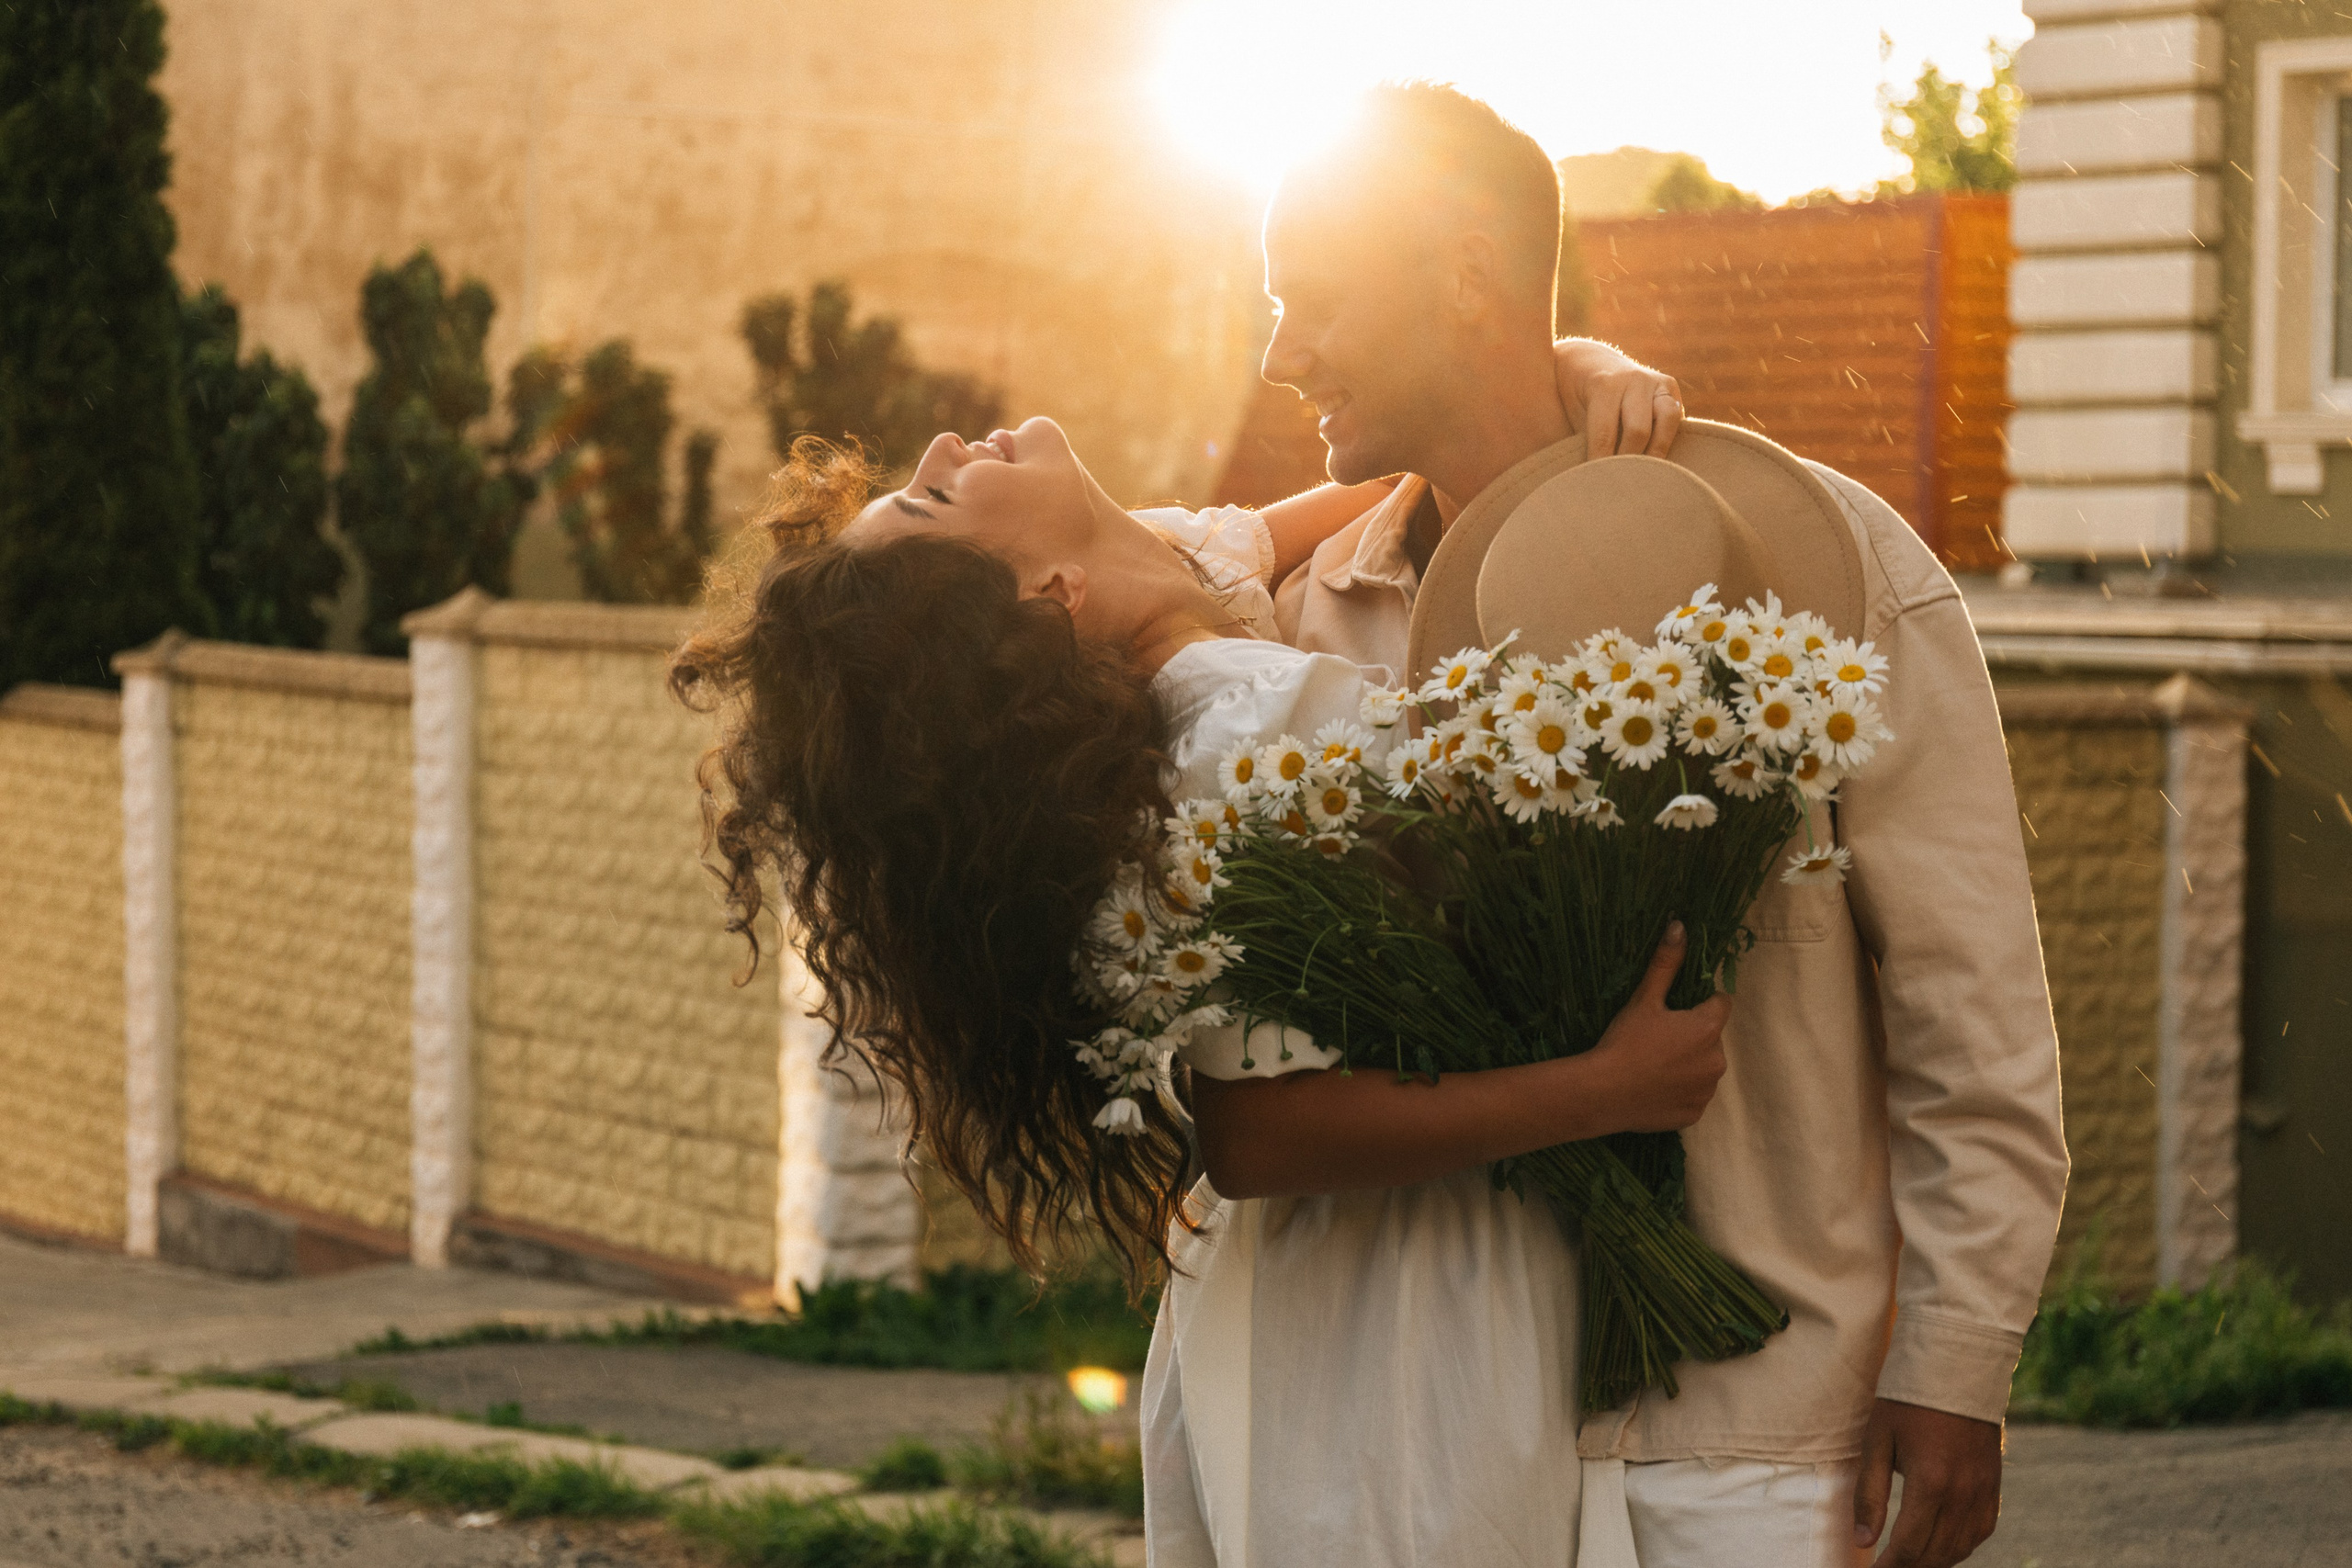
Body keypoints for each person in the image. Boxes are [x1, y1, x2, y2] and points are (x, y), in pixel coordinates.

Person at [671, 412, 1730, 1566]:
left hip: (1336, 1303)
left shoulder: (1177, 581)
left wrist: (1580, 380)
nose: (933, 448)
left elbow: (1429, 461)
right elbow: (1260, 1134)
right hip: (1381, 1331)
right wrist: (1603, 1090)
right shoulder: (1235, 745)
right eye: (931, 502)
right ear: (1048, 601)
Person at [1249, 82, 2069, 1568]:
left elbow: (1972, 1006)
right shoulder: (1312, 627)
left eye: (1313, 299)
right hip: (1438, 1437)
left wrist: (1957, 1365)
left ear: (1469, 274)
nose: (1277, 351)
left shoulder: (1821, 560)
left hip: (1768, 1447)